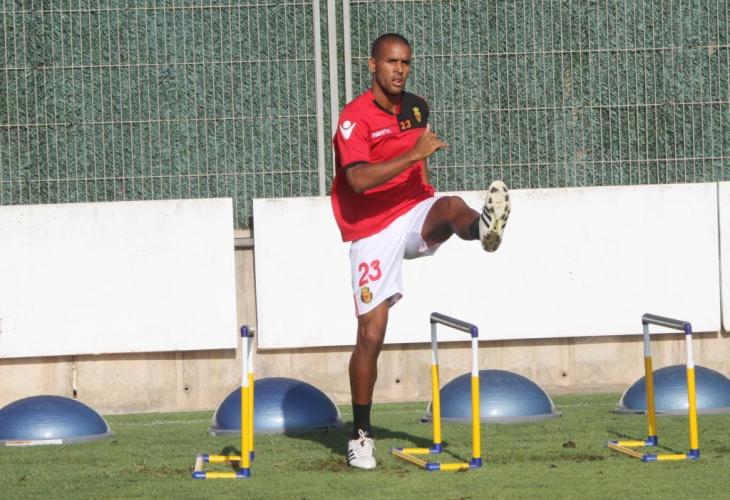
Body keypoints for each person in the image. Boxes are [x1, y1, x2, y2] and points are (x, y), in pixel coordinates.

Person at [330, 33, 511, 470]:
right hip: (372, 229)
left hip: (412, 211)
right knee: (371, 334)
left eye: (406, 63)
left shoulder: (416, 107)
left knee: (449, 205)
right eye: (391, 62)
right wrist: (413, 154)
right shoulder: (354, 118)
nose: (400, 70)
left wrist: (423, 183)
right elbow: (358, 181)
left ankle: (482, 228)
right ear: (372, 65)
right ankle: (360, 435)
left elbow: (421, 160)